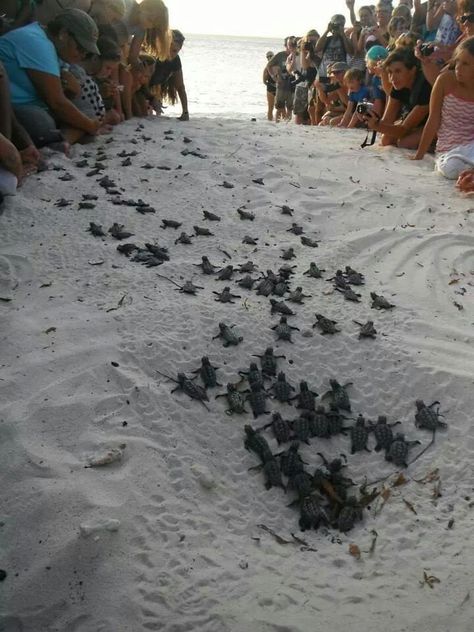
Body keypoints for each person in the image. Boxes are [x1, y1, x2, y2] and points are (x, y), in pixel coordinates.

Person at [0, 9, 102, 147]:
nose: (83, 55)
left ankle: (63, 143)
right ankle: (64, 139)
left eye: (86, 52)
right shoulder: (37, 42)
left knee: (84, 111)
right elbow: (57, 103)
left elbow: (68, 94)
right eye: (80, 48)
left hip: (36, 106)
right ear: (63, 34)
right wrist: (91, 126)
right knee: (42, 123)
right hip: (11, 109)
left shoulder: (51, 45)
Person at [412, 37, 474, 179]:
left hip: (471, 147)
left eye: (465, 64)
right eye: (457, 61)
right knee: (450, 168)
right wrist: (419, 155)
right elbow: (433, 119)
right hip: (449, 151)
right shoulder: (444, 81)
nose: (458, 67)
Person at [363, 46, 431, 148]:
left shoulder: (425, 87)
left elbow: (403, 130)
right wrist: (370, 119)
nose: (392, 78)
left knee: (405, 142)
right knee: (386, 140)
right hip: (417, 122)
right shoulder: (398, 85)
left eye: (398, 71)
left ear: (412, 70)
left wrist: (376, 125)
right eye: (390, 72)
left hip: (438, 123)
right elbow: (386, 121)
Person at [149, 29, 189, 120]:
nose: (170, 54)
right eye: (169, 49)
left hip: (151, 93)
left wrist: (185, 111)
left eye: (174, 51)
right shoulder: (154, 56)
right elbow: (144, 83)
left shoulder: (175, 61)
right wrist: (152, 98)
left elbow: (180, 87)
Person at [266, 37, 296, 121]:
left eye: (292, 45)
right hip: (281, 85)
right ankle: (277, 124)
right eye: (288, 45)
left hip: (292, 85)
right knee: (279, 107)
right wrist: (273, 77)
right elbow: (268, 65)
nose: (290, 47)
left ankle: (287, 124)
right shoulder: (280, 55)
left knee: (290, 108)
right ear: (285, 45)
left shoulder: (297, 55)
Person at [263, 50, 276, 121]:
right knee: (271, 107)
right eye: (268, 56)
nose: (270, 57)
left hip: (275, 87)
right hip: (271, 88)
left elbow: (264, 81)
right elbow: (264, 80)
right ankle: (270, 121)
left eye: (271, 56)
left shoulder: (277, 66)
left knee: (279, 107)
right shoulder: (266, 68)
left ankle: (277, 120)